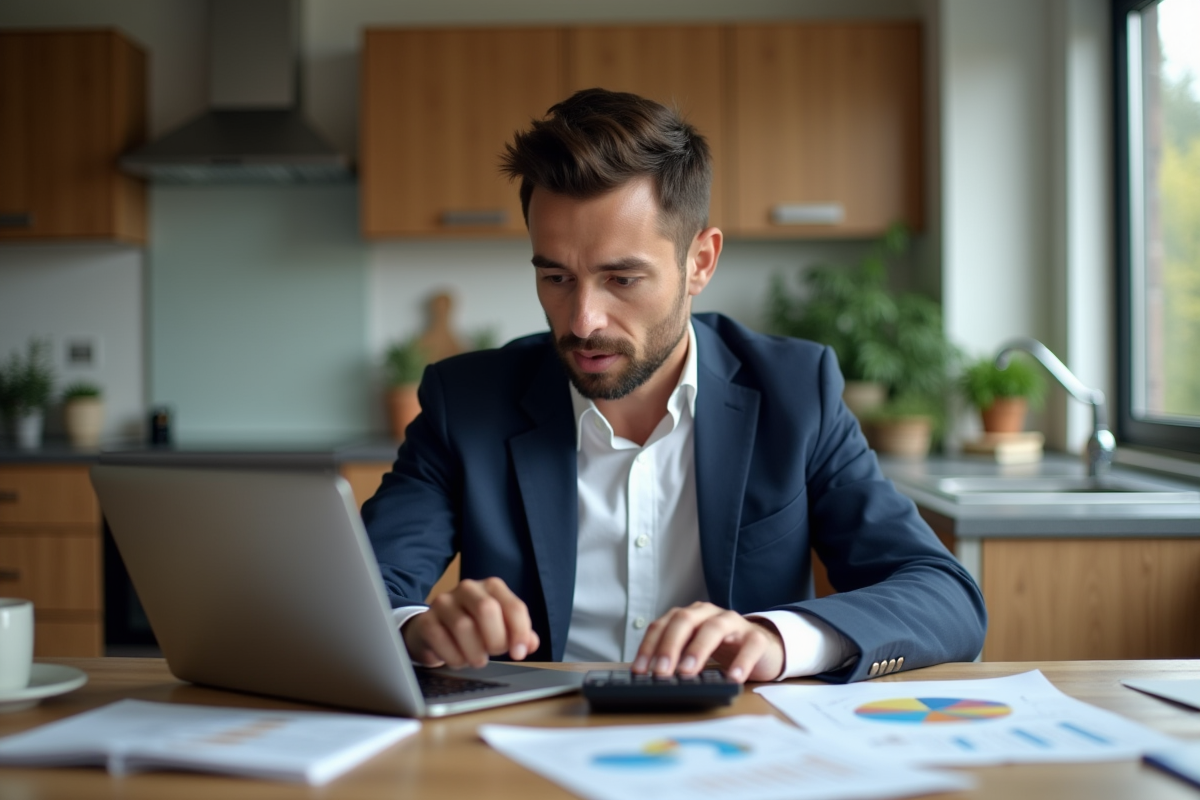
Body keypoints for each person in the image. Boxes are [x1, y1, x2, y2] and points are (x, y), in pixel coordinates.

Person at [363, 88, 986, 684]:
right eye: (556, 277)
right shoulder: (465, 402)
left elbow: (944, 597)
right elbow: (359, 590)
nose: (582, 321)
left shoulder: (795, 392)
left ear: (700, 263)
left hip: (736, 735)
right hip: (529, 734)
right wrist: (417, 630)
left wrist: (776, 639)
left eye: (622, 279)